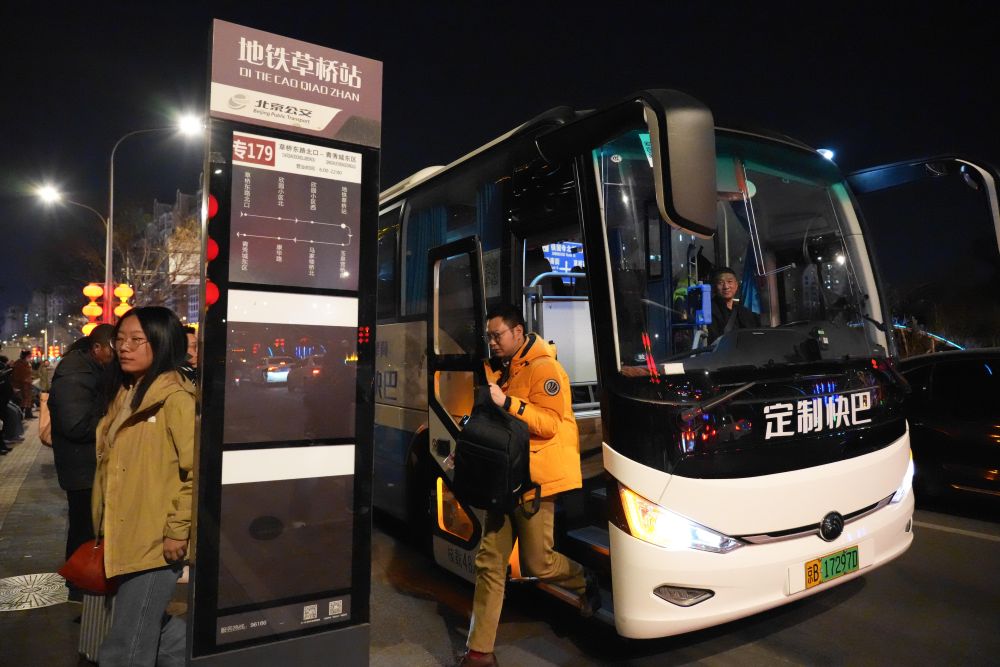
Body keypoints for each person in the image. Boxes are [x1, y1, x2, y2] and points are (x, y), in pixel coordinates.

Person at [458, 305, 599, 667]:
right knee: (489, 562)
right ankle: (479, 652)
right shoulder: (501, 370)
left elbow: (550, 424)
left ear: (518, 332)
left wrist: (508, 402)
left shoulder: (545, 368)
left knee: (539, 562)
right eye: (489, 336)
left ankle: (584, 580)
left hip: (534, 482)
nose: (492, 342)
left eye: (498, 335)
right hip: (502, 480)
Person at [93, 307, 195, 666]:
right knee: (150, 627)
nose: (124, 347)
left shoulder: (176, 399)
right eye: (120, 339)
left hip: (155, 541)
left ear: (162, 343)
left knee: (126, 644)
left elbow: (195, 472)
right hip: (124, 532)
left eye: (137, 340)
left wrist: (177, 530)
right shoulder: (127, 391)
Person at [47, 324, 115, 599]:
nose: (118, 354)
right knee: (85, 527)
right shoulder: (76, 373)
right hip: (82, 467)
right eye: (113, 349)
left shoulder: (88, 369)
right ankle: (81, 584)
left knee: (87, 525)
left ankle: (83, 583)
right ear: (97, 348)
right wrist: (112, 419)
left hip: (86, 465)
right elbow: (76, 425)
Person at [706, 266, 760, 344]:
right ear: (714, 287)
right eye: (721, 283)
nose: (726, 287)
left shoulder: (744, 312)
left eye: (730, 281)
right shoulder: (709, 310)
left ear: (736, 285)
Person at [11, 350, 35, 419]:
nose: (31, 357)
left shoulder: (25, 363)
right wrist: (27, 379)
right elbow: (20, 376)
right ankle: (20, 416)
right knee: (22, 401)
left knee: (27, 400)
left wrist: (29, 378)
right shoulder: (21, 364)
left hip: (25, 385)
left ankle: (27, 414)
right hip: (22, 385)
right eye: (30, 356)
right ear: (26, 356)